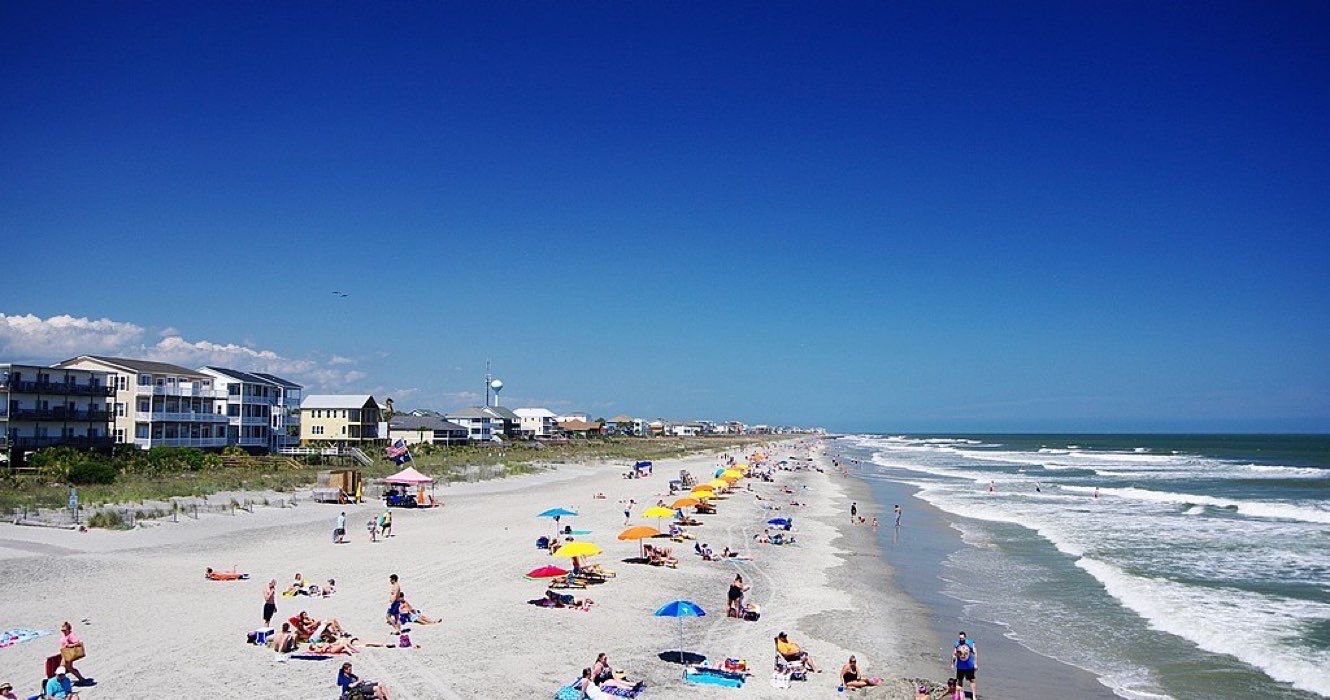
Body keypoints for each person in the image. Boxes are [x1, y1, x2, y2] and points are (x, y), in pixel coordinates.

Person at [954, 631, 977, 698]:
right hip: (960, 666)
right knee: (960, 681)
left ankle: (973, 695)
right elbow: (954, 654)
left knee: (972, 680)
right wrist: (953, 662)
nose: (961, 640)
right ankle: (960, 695)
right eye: (960, 638)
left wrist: (975, 664)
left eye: (962, 638)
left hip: (969, 666)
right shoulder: (957, 644)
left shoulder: (970, 643)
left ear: (965, 637)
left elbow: (975, 652)